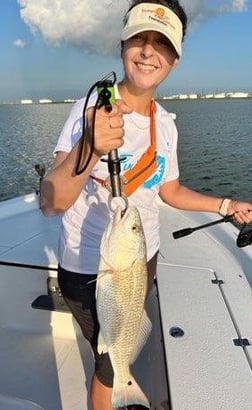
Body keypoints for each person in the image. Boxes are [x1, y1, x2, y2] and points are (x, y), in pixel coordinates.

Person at [40, 0, 252, 409]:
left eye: (162, 44)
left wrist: (225, 203)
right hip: (92, 269)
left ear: (175, 60)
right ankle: (117, 386)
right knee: (107, 362)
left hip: (142, 259)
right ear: (123, 45)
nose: (148, 51)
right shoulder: (90, 112)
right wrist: (91, 144)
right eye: (140, 38)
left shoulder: (166, 124)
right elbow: (52, 202)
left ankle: (123, 378)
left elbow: (169, 190)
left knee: (122, 340)